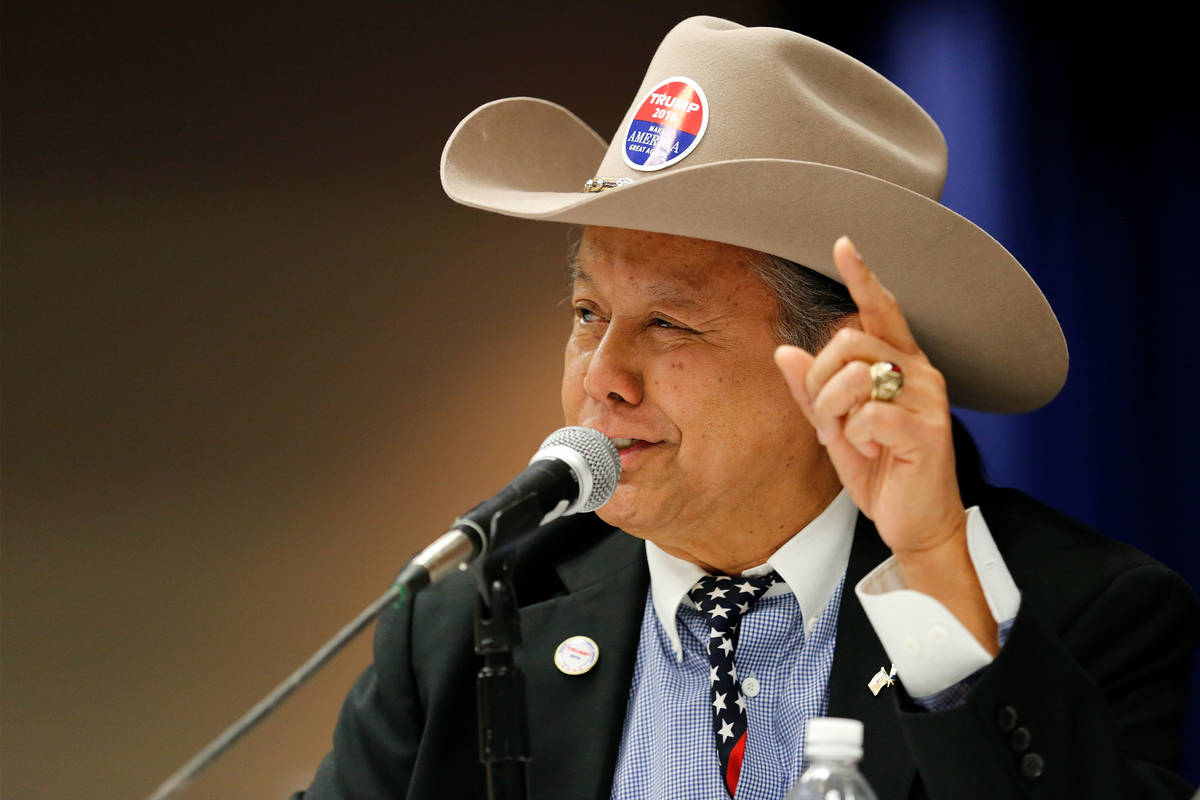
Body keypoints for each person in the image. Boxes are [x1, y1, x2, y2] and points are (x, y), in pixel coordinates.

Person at [295, 16, 1198, 800]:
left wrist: (930, 567)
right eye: (587, 314)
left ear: (842, 360)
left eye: (669, 324)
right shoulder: (469, 624)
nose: (602, 376)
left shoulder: (1084, 612)